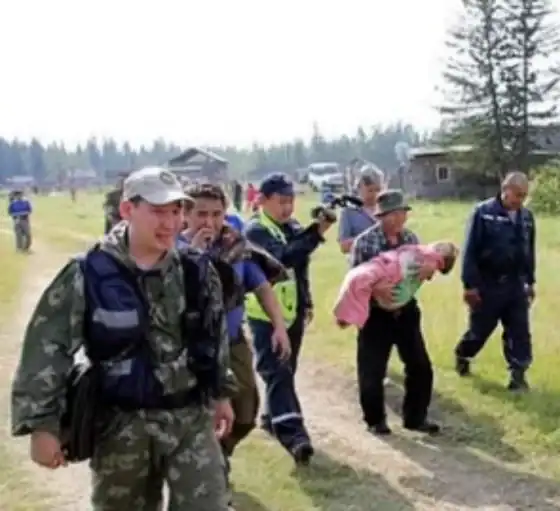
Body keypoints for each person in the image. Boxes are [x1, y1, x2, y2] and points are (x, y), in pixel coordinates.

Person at [10, 166, 236, 509]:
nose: (170, 223)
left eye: (176, 211)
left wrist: (220, 393)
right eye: (158, 211)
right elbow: (48, 348)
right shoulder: (89, 273)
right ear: (128, 209)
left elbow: (213, 336)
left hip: (190, 418)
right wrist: (42, 426)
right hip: (121, 425)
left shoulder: (196, 270)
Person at [178, 183, 290, 502]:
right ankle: (210, 476)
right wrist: (194, 255)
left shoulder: (234, 245)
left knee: (245, 413)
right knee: (202, 415)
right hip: (190, 347)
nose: (209, 222)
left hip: (232, 342)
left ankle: (218, 457)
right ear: (186, 214)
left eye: (216, 214)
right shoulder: (171, 250)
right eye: (201, 214)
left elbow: (261, 285)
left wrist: (279, 326)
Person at [243, 173, 332, 464]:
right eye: (281, 202)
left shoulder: (291, 226)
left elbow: (300, 268)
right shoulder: (255, 231)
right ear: (262, 200)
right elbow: (284, 258)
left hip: (292, 312)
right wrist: (316, 232)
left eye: (291, 201)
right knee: (277, 371)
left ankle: (271, 417)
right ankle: (295, 437)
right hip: (265, 315)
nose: (287, 208)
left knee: (286, 370)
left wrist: (307, 301)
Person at [351, 189, 439, 436]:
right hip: (375, 314)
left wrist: (428, 269)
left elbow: (422, 268)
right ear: (382, 216)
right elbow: (354, 281)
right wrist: (375, 288)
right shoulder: (364, 242)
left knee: (420, 366)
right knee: (372, 369)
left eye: (403, 213)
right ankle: (375, 420)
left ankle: (415, 418)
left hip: (406, 311)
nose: (401, 218)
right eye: (395, 214)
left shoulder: (410, 238)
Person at [454, 172, 536, 392]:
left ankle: (518, 375)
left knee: (519, 331)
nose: (520, 200)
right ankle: (463, 354)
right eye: (517, 194)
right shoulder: (483, 213)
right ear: (505, 189)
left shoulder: (527, 217)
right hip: (488, 283)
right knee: (479, 330)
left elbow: (529, 251)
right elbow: (470, 251)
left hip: (515, 284)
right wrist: (470, 285)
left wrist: (530, 281)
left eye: (524, 196)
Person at [334, 241, 458, 328]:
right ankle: (349, 316)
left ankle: (348, 316)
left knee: (358, 279)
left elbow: (428, 264)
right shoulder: (366, 239)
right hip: (385, 280)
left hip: (391, 285)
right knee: (358, 280)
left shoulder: (426, 255)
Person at [337, 165, 384, 254]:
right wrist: (370, 240)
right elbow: (344, 246)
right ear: (359, 187)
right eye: (370, 190)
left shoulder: (387, 208)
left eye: (378, 190)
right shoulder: (349, 211)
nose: (374, 194)